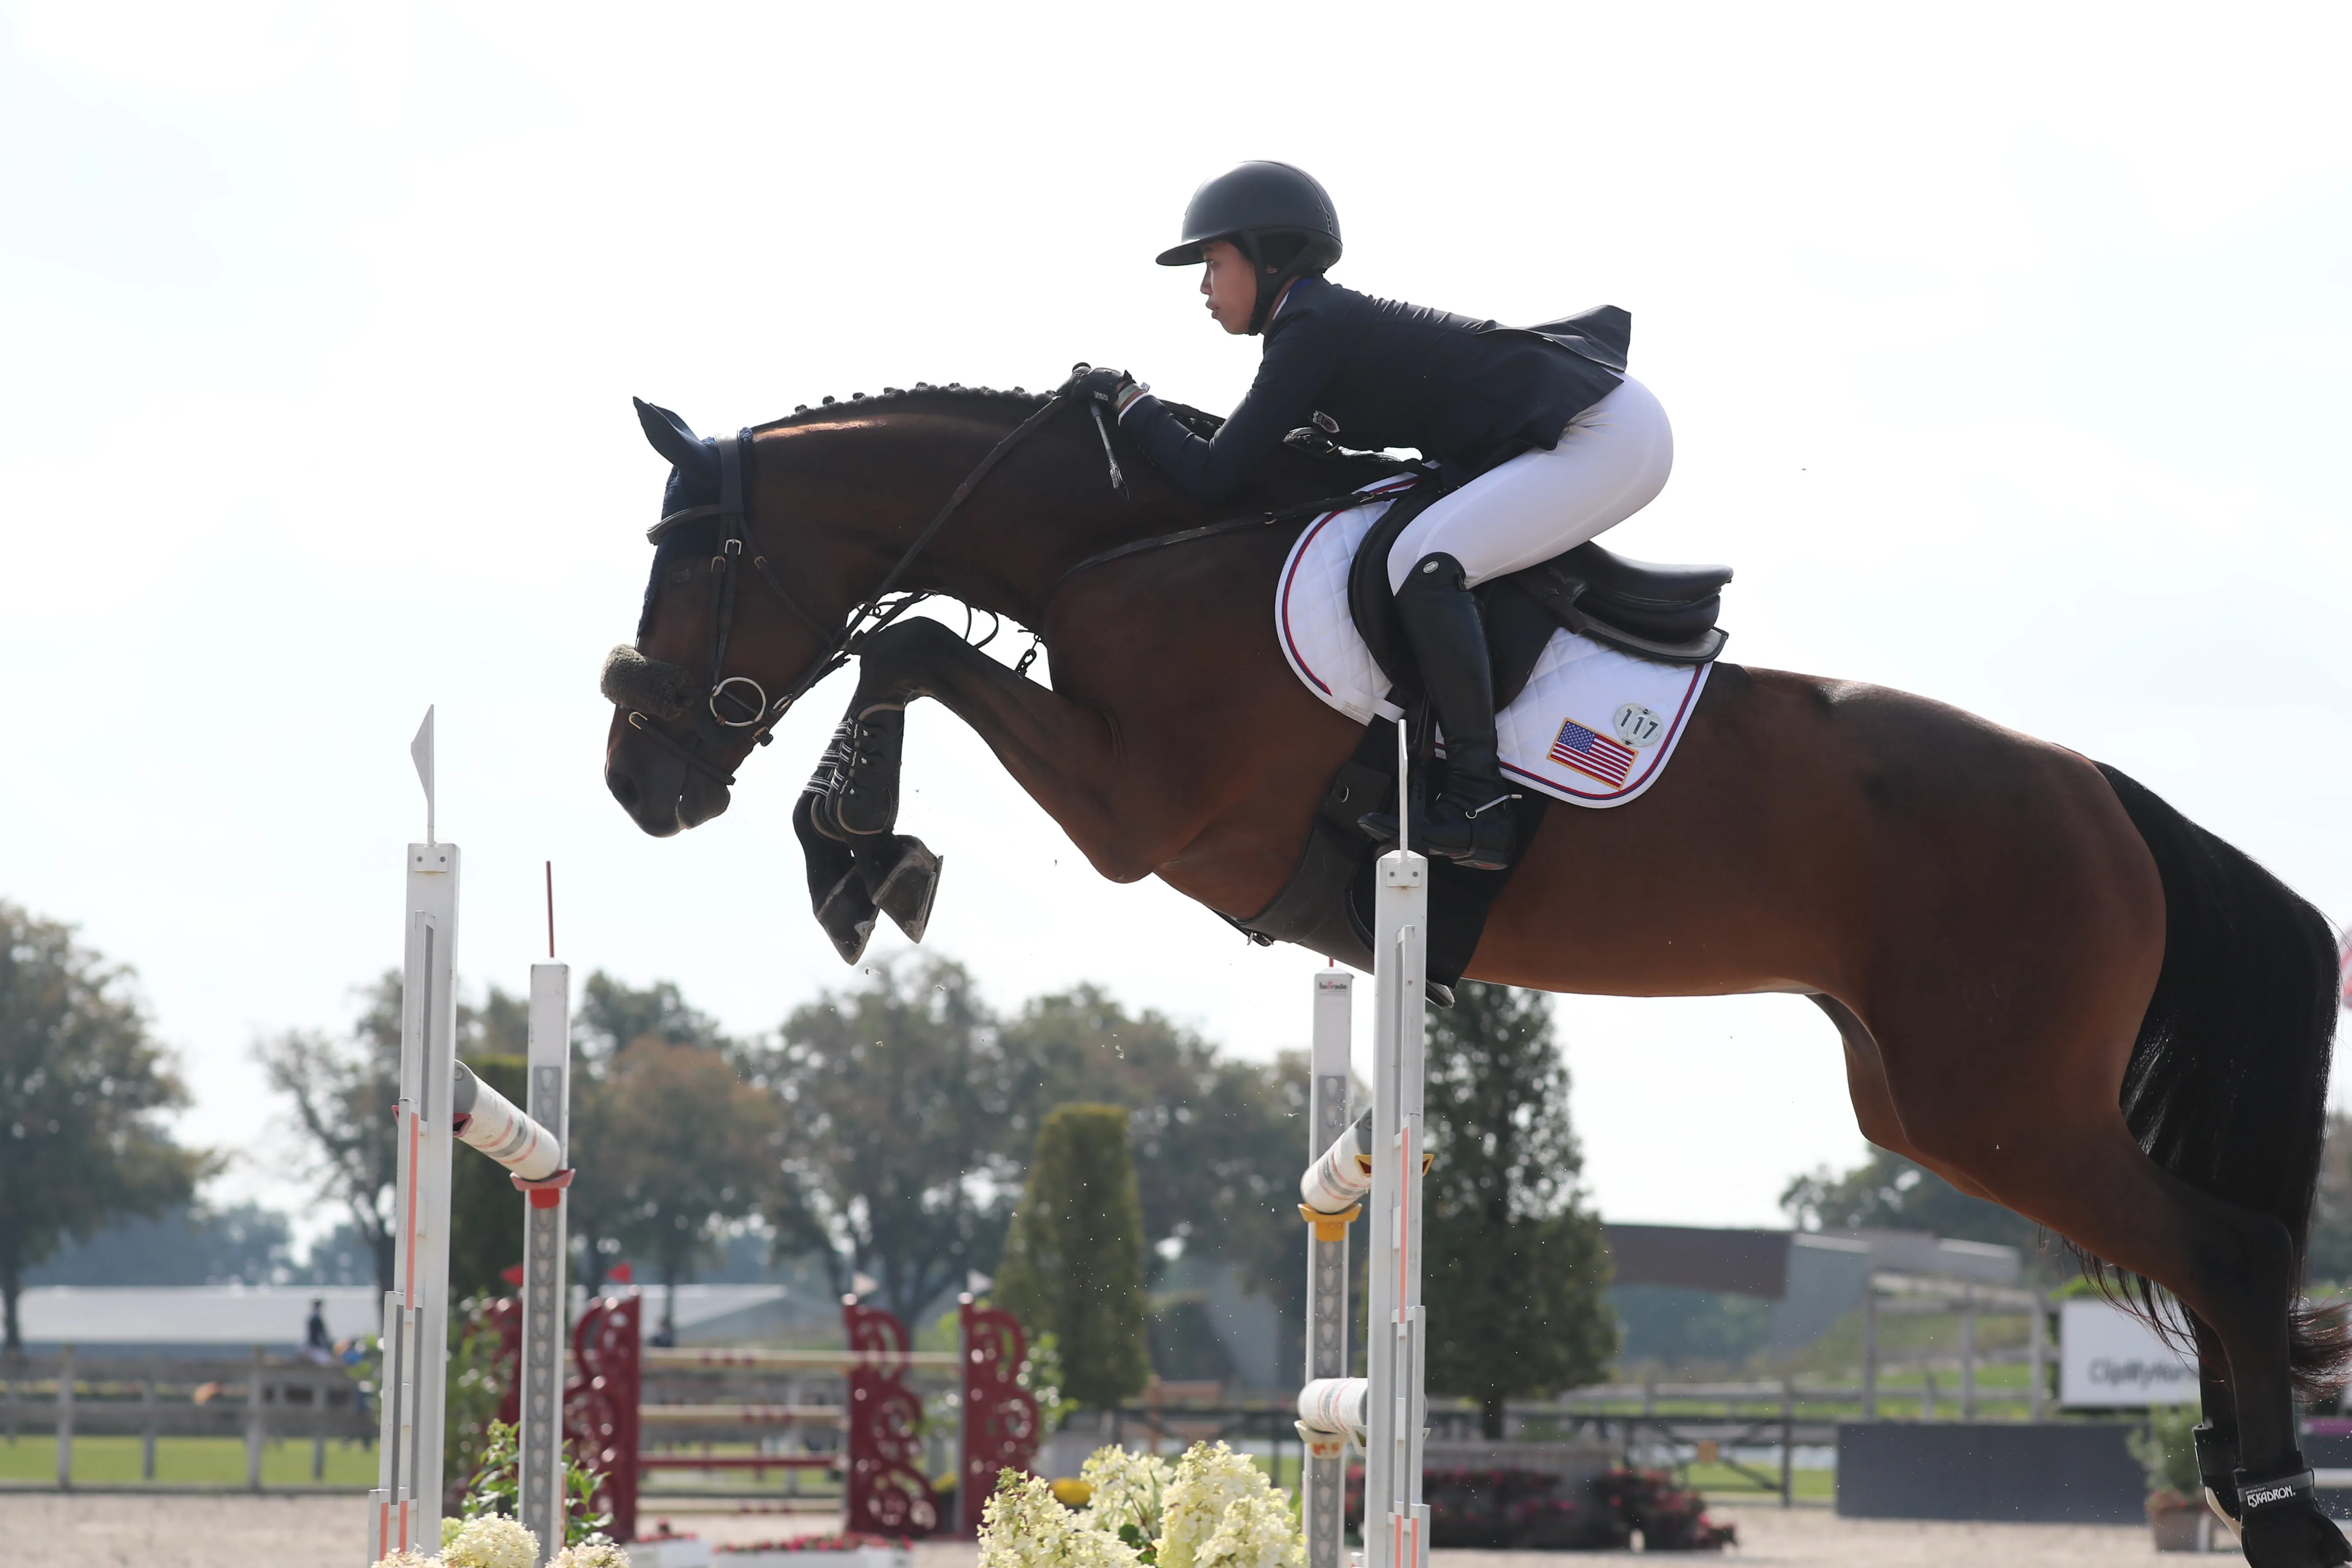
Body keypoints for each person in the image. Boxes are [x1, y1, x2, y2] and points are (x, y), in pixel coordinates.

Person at [1070, 162, 1674, 872]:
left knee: (1427, 565)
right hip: (1588, 429)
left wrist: (1128, 399)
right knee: (1416, 550)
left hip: (1603, 433)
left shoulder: (1310, 326)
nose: (1203, 287)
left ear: (1268, 257)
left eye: (1213, 262)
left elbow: (1212, 475)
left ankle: (1479, 802)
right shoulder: (1310, 323)